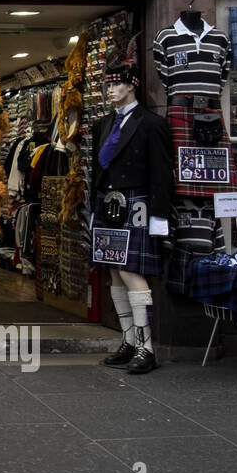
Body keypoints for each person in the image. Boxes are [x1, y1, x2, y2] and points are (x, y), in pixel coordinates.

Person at [90, 55, 174, 374]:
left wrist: (160, 220)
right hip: (108, 204)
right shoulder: (103, 124)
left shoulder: (152, 124)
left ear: (131, 87)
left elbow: (163, 176)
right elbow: (96, 169)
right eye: (107, 85)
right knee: (113, 271)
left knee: (130, 271)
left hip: (138, 204)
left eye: (115, 85)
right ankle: (128, 341)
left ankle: (145, 347)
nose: (109, 90)